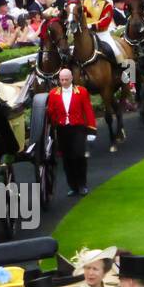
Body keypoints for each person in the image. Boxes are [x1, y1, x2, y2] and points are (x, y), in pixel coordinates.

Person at [46, 67, 96, 197]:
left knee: (79, 156)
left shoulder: (82, 91)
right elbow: (51, 113)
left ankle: (82, 185)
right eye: (61, 80)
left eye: (66, 79)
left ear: (72, 79)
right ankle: (73, 186)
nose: (64, 82)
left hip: (78, 128)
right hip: (62, 129)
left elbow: (88, 110)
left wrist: (91, 130)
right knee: (67, 159)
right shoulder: (53, 94)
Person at [80, 0, 135, 87]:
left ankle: (127, 76)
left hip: (102, 33)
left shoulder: (106, 3)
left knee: (115, 51)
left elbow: (106, 19)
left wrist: (93, 25)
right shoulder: (85, 2)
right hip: (87, 33)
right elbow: (83, 16)